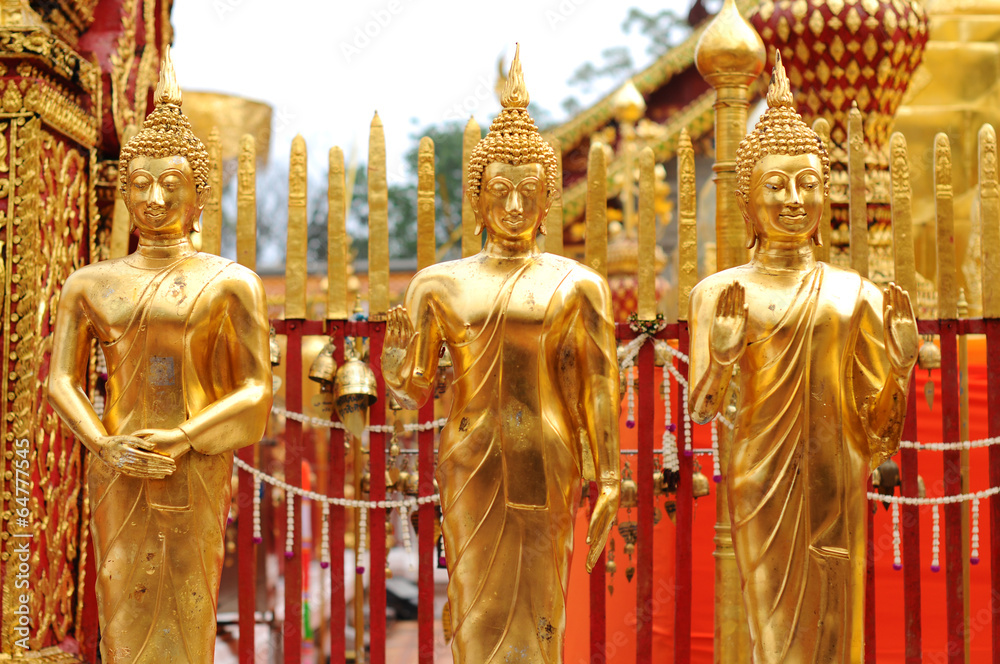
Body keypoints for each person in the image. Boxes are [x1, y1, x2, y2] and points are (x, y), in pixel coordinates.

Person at [381, 46, 620, 664]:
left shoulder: (577, 283)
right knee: (473, 600)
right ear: (478, 197)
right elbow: (420, 388)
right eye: (500, 192)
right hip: (471, 458)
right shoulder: (439, 283)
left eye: (528, 194)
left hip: (547, 451)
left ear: (548, 204)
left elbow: (599, 385)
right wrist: (396, 370)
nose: (514, 208)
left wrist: (612, 476)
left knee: (542, 601)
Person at [688, 53, 918, 663]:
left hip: (836, 479)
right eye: (776, 184)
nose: (795, 199)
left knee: (837, 630)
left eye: (809, 184)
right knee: (773, 630)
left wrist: (899, 368)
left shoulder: (855, 296)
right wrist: (725, 356)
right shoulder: (718, 294)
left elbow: (880, 436)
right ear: (747, 200)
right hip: (759, 478)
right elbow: (704, 411)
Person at [47, 48, 272, 664]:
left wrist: (184, 438)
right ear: (123, 193)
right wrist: (103, 443)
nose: (153, 197)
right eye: (140, 183)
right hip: (118, 462)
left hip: (193, 462)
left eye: (171, 185)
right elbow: (60, 381)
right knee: (124, 601)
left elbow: (255, 391)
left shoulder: (232, 281)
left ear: (200, 196)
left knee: (189, 596)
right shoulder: (90, 284)